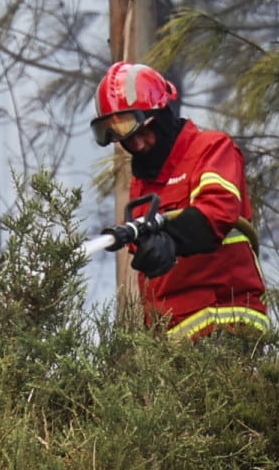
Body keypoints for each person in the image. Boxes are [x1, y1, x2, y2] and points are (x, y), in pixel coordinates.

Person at [92, 61, 269, 339]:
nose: (137, 145)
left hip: (223, 320)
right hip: (173, 338)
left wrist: (172, 239)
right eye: (126, 140)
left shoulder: (210, 150)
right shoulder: (143, 185)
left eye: (143, 132)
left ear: (162, 116)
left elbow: (216, 212)